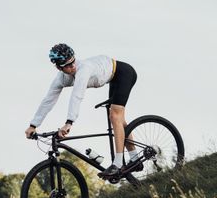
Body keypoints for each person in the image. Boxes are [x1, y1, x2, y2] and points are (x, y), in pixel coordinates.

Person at [24, 43, 142, 179]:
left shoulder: (83, 69)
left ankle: (117, 163)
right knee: (118, 120)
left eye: (73, 62)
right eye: (67, 66)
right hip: (112, 79)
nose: (72, 66)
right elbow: (48, 100)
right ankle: (135, 158)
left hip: (123, 73)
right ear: (58, 67)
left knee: (115, 116)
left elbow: (77, 94)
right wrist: (33, 125)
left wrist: (69, 122)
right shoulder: (61, 78)